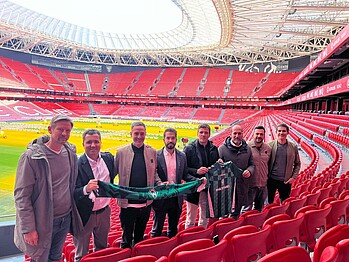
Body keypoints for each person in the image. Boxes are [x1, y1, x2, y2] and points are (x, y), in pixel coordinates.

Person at [14, 115, 82, 262]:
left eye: (68, 130)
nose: (64, 134)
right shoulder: (31, 157)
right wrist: (28, 229)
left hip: (65, 218)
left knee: (55, 257)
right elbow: (22, 195)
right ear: (50, 129)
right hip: (42, 222)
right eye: (60, 129)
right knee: (40, 259)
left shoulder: (69, 152)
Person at [115, 121, 162, 248]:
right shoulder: (121, 152)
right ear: (131, 133)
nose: (139, 136)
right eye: (136, 133)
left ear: (146, 134)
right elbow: (112, 174)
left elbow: (154, 173)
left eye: (142, 134)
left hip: (145, 204)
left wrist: (160, 183)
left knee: (139, 238)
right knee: (126, 239)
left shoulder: (152, 151)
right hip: (127, 204)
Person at [73, 129, 115, 261]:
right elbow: (71, 192)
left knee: (102, 250)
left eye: (96, 141)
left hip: (104, 212)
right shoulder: (77, 164)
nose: (93, 145)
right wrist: (85, 189)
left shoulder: (108, 159)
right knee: (81, 254)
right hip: (84, 215)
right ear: (83, 144)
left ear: (101, 143)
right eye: (89, 142)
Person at [151, 128, 197, 238]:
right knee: (157, 229)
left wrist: (197, 181)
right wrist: (159, 184)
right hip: (161, 197)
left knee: (173, 229)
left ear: (176, 139)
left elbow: (185, 175)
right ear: (164, 140)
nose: (170, 140)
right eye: (168, 138)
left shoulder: (182, 156)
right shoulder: (156, 156)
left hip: (176, 198)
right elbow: (152, 175)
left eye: (173, 138)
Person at [184, 123, 219, 229]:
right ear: (197, 134)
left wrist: (218, 164)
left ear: (209, 134)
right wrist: (196, 171)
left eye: (206, 132)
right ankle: (188, 239)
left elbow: (216, 167)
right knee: (190, 217)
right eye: (201, 132)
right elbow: (184, 169)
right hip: (193, 187)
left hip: (207, 187)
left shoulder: (213, 148)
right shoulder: (189, 149)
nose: (203, 135)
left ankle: (201, 235)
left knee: (204, 216)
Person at [218, 124, 254, 218]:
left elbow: (252, 164)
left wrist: (249, 171)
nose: (237, 136)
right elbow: (216, 166)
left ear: (242, 134)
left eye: (239, 133)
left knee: (236, 212)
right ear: (230, 135)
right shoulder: (222, 149)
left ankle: (234, 228)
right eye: (235, 133)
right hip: (226, 187)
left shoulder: (248, 149)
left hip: (241, 186)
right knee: (224, 214)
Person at [267, 123, 301, 203]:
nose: (281, 133)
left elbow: (298, 163)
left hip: (286, 180)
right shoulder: (269, 145)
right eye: (279, 131)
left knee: (285, 202)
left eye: (284, 131)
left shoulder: (293, 147)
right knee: (269, 202)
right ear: (276, 132)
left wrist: (293, 177)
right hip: (271, 179)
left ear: (288, 133)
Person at [246, 126, 271, 211]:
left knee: (259, 209)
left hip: (263, 185)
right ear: (253, 134)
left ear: (264, 135)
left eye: (261, 134)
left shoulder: (268, 148)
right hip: (250, 185)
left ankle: (256, 224)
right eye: (257, 134)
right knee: (246, 209)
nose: (259, 136)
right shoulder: (247, 147)